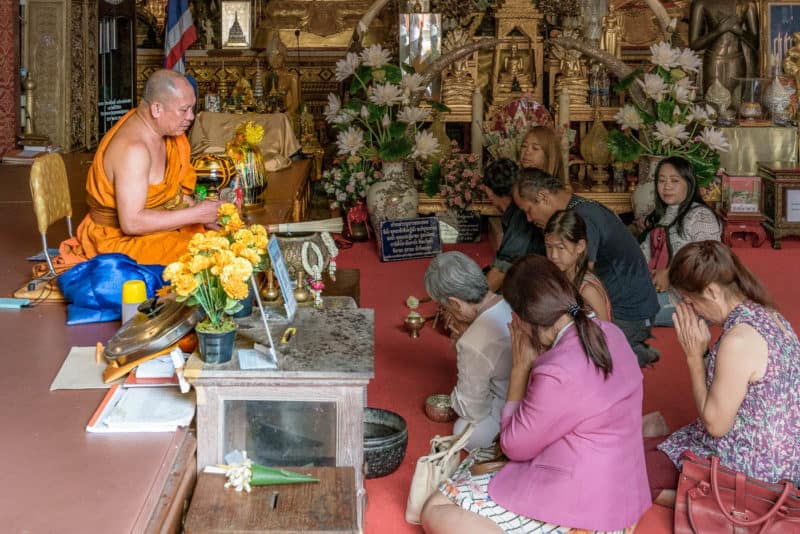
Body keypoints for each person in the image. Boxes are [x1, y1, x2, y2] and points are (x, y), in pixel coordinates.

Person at [421, 255, 650, 533]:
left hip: (582, 505)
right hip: (624, 496)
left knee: (437, 508)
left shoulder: (556, 371)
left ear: (518, 318)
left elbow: (513, 447)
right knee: (481, 456)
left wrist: (520, 369)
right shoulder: (611, 333)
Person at [647, 241, 800, 504]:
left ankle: (716, 504)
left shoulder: (739, 340)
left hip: (756, 470)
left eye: (690, 301)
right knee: (640, 451)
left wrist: (694, 357)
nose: (691, 309)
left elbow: (715, 425)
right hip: (783, 457)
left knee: (628, 475)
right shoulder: (768, 315)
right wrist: (705, 352)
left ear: (711, 291)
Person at [513, 168, 660, 367]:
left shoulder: (584, 218)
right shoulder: (574, 210)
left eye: (528, 210)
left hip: (630, 313)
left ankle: (632, 351)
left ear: (543, 197)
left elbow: (580, 279)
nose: (529, 219)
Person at [74, 69, 222, 265]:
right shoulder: (134, 151)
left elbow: (171, 194)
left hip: (152, 227)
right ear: (157, 109)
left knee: (226, 238)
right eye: (184, 110)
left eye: (191, 109)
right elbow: (132, 223)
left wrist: (203, 215)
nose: (191, 117)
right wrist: (196, 214)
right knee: (211, 257)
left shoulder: (160, 132)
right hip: (117, 240)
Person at [424, 252, 513, 451]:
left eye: (444, 306)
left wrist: (461, 342)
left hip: (513, 414)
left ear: (455, 303)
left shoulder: (473, 341)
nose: (446, 312)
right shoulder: (509, 301)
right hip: (540, 401)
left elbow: (472, 410)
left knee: (462, 428)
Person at [639, 157, 721, 326]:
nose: (666, 186)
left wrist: (670, 273)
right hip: (656, 290)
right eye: (661, 181)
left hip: (693, 300)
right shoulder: (660, 217)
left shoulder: (701, 216)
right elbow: (643, 256)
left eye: (674, 180)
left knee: (627, 314)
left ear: (689, 183)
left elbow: (711, 260)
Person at [482, 158, 544, 292]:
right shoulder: (516, 212)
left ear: (490, 192)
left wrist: (474, 306)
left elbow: (501, 270)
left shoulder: (520, 217)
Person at [544, 209, 612, 321]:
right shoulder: (559, 278)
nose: (554, 255)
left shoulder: (588, 291)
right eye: (549, 247)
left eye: (561, 247)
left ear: (580, 246)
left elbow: (604, 333)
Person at [689, 0, 759, 96]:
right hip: (713, 59)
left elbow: (756, 43)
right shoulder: (701, 3)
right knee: (713, 102)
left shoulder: (748, 3)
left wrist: (738, 30)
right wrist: (718, 30)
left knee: (736, 102)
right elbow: (694, 44)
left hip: (737, 59)